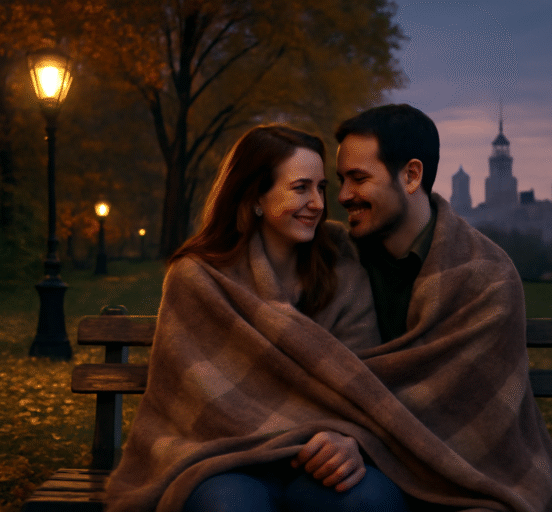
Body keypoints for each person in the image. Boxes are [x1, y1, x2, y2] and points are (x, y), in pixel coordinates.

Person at [105, 125, 409, 512]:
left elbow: (363, 386)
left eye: (321, 188)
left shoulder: (344, 273)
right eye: (300, 188)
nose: (316, 203)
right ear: (256, 198)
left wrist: (350, 441)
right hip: (222, 461)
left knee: (373, 501)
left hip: (314, 461)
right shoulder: (198, 278)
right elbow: (191, 397)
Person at [334, 104, 552, 511]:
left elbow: (461, 400)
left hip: (467, 472)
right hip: (357, 469)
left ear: (411, 176)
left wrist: (360, 436)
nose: (342, 196)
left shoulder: (486, 274)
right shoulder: (333, 261)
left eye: (358, 178)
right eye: (341, 180)